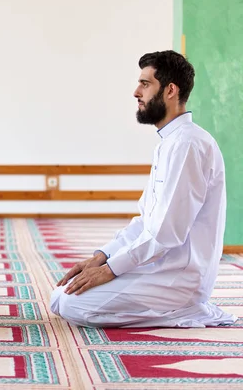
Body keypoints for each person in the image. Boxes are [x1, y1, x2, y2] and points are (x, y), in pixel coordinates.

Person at [50, 50, 237, 328]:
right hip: (158, 268)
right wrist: (101, 257)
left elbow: (166, 234)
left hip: (179, 277)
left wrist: (111, 271)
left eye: (146, 84)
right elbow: (145, 222)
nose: (137, 92)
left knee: (71, 304)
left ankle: (187, 310)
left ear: (170, 90)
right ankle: (174, 306)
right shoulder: (170, 143)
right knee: (61, 296)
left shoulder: (188, 144)